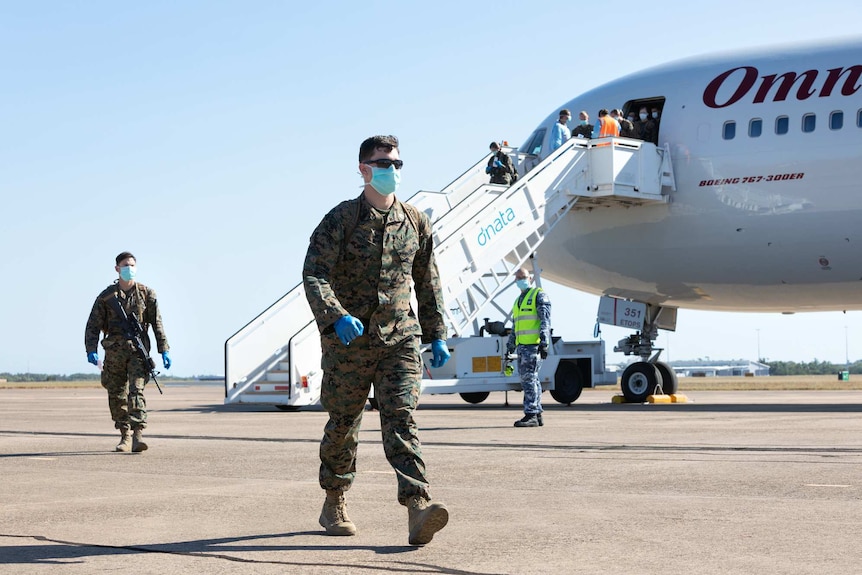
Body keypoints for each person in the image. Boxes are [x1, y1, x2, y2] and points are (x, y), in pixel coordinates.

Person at [303, 134, 451, 546]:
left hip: (399, 339)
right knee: (344, 424)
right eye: (384, 164)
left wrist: (437, 334)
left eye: (397, 164)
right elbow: (314, 274)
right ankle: (334, 499)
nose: (392, 171)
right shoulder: (342, 219)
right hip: (349, 343)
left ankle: (418, 506)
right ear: (364, 169)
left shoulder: (416, 221)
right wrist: (336, 317)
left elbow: (428, 281)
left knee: (401, 418)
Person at [84, 252, 171, 453]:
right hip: (114, 353)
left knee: (136, 391)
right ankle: (124, 435)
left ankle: (138, 435)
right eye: (125, 265)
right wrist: (91, 349)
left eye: (132, 265)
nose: (129, 268)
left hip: (138, 353)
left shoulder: (147, 294)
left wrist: (163, 349)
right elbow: (93, 325)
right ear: (117, 268)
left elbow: (157, 324)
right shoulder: (107, 297)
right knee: (116, 393)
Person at [506, 267, 551, 428]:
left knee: (528, 379)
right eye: (518, 278)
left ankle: (531, 413)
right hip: (522, 346)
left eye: (523, 277)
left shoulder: (538, 295)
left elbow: (545, 320)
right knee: (532, 379)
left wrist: (544, 343)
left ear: (530, 278)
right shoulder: (518, 300)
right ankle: (536, 414)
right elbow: (515, 326)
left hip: (533, 346)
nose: (520, 280)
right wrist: (510, 345)